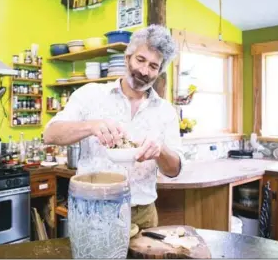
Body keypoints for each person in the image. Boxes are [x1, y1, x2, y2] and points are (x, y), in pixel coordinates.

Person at [43, 24, 185, 232]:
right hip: (93, 209)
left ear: (159, 72)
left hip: (143, 213)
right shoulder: (90, 94)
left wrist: (160, 149)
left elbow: (174, 170)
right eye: (140, 60)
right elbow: (49, 134)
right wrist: (91, 126)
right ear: (127, 57)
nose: (144, 71)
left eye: (153, 66)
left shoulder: (166, 111)